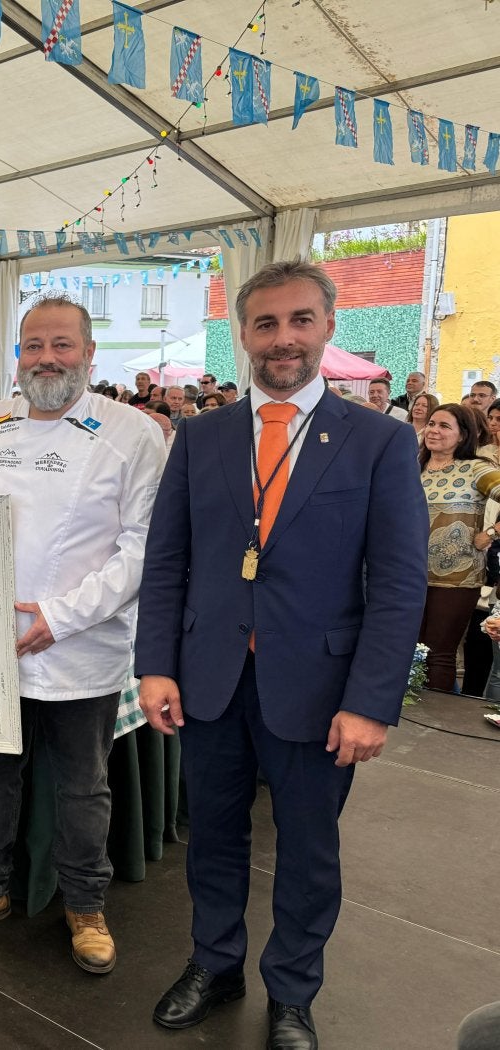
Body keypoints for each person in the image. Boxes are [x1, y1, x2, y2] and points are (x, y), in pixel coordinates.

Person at [135, 260, 428, 1050]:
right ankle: (214, 962)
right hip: (210, 680)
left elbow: (400, 585)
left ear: (328, 328)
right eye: (266, 324)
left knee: (307, 851)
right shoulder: (199, 437)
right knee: (214, 837)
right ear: (244, 336)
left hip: (321, 688)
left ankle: (293, 991)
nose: (284, 339)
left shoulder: (378, 443)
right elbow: (167, 561)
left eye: (300, 320)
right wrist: (154, 664)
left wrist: (372, 701)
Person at [0, 296, 164, 974]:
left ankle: (86, 905)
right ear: (18, 356)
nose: (47, 359)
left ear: (90, 353)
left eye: (62, 345)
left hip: (79, 645)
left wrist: (59, 617)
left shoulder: (134, 432)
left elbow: (141, 548)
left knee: (83, 785)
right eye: (34, 346)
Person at [417, 403, 500, 692]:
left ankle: (435, 729)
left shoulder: (477, 469)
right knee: (409, 651)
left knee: (438, 654)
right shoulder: (414, 466)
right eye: (431, 424)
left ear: (463, 434)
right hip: (408, 574)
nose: (433, 431)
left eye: (444, 426)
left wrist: (491, 532)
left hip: (456, 581)